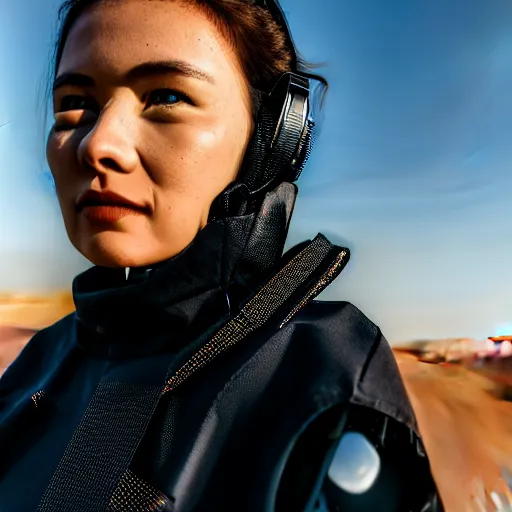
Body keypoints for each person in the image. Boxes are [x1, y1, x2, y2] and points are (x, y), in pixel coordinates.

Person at [0, 0, 441, 510]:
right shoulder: (40, 360)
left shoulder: (323, 380)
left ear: (275, 138)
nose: (98, 144)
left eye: (166, 95)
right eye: (75, 103)